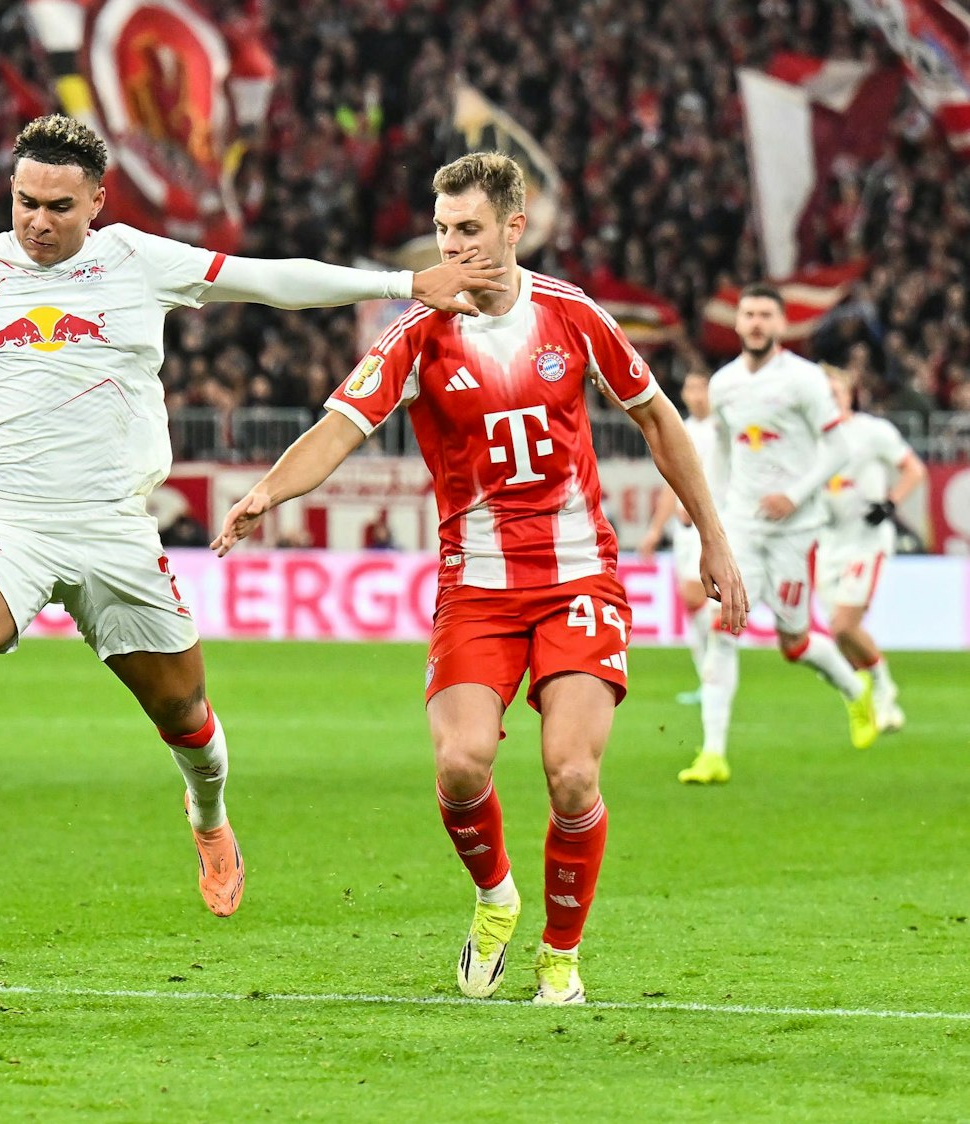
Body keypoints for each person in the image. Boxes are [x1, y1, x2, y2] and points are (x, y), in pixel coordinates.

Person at [0, 116, 504, 937]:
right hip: (8, 526)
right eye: (26, 202)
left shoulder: (138, 259)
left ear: (97, 201)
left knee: (187, 721)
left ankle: (207, 816)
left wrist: (397, 283)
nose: (38, 221)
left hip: (115, 534)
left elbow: (268, 280)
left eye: (60, 207)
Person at [211, 153, 746, 1005]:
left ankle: (559, 959)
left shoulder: (571, 316)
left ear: (512, 227)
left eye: (469, 229)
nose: (453, 246)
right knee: (461, 764)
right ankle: (495, 897)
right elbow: (338, 429)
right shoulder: (417, 330)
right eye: (442, 231)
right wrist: (267, 490)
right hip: (476, 587)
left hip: (578, 577)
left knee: (571, 773)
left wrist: (711, 537)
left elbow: (656, 416)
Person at [679, 287, 876, 786]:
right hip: (743, 526)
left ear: (781, 324)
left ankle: (856, 691)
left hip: (795, 529)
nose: (756, 322)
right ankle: (713, 753)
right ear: (739, 323)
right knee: (723, 626)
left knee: (794, 641)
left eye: (766, 314)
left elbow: (837, 448)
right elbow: (724, 451)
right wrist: (711, 513)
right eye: (748, 314)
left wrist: (795, 492)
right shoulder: (723, 385)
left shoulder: (805, 380)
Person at [815, 365, 925, 732]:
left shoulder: (872, 432)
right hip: (828, 543)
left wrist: (890, 504)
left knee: (845, 626)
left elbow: (914, 469)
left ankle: (883, 687)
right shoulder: (809, 437)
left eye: (837, 392)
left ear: (850, 394)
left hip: (866, 542)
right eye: (825, 393)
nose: (832, 399)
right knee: (840, 632)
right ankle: (882, 702)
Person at [637, 371, 721, 705]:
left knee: (701, 597)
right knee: (691, 600)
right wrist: (655, 530)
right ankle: (709, 678)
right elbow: (671, 482)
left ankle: (715, 676)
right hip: (684, 532)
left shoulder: (722, 430)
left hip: (716, 527)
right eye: (690, 387)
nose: (695, 394)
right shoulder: (682, 428)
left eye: (701, 387)